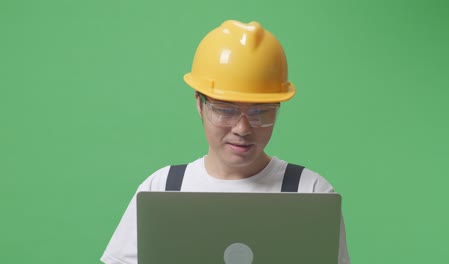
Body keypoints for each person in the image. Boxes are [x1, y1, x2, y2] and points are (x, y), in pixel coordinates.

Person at [101, 19, 351, 264]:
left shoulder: (311, 194)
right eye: (225, 109)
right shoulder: (162, 189)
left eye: (260, 112)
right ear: (200, 104)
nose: (242, 128)